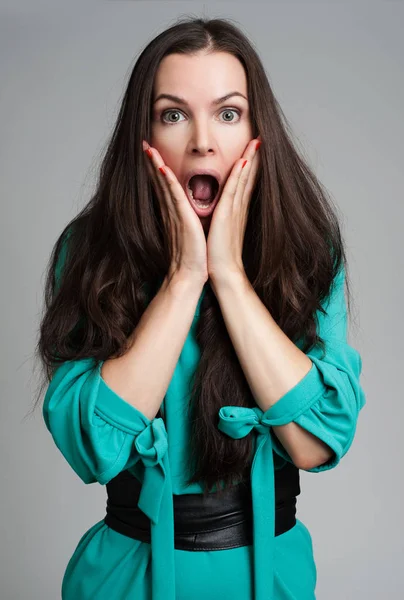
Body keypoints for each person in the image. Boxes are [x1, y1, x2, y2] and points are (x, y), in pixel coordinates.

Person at [34, 16, 366, 600]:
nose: (203, 141)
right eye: (174, 114)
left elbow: (318, 443)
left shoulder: (310, 249)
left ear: (256, 130)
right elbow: (94, 449)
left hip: (271, 578)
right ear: (145, 134)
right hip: (126, 579)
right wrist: (186, 276)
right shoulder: (89, 251)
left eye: (228, 113)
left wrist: (231, 278)